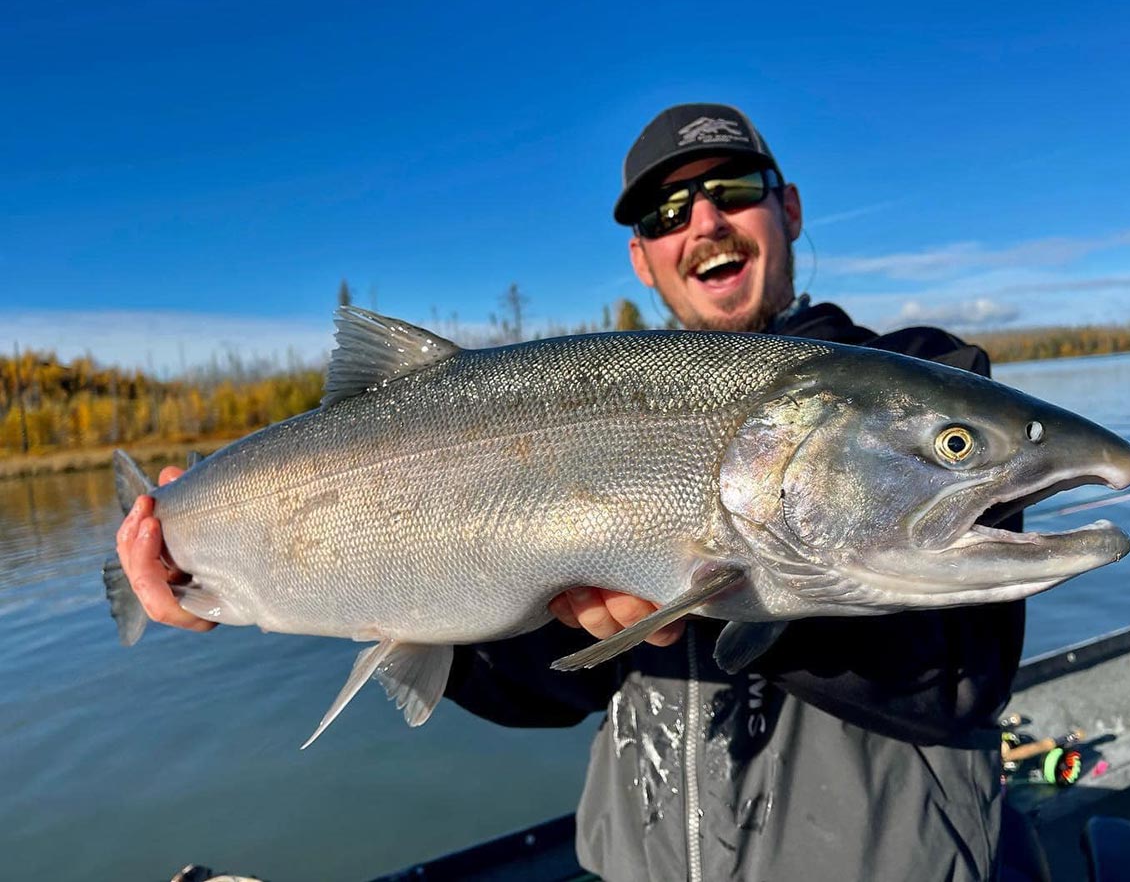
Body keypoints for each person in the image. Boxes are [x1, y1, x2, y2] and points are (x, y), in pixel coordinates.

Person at [116, 103, 1030, 882]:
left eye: (735, 190)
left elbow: (958, 681)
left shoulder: (920, 380)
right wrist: (234, 573)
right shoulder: (597, 393)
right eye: (669, 210)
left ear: (787, 209)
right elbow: (547, 694)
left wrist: (745, 588)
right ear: (644, 258)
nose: (704, 220)